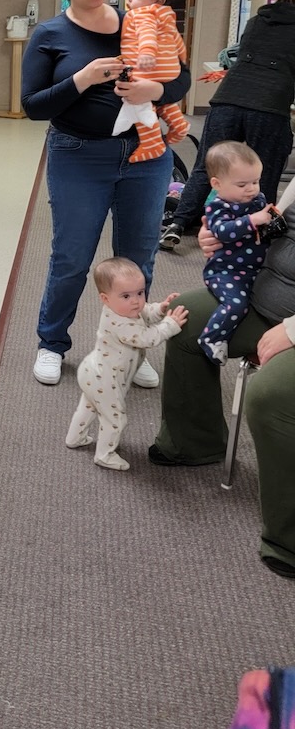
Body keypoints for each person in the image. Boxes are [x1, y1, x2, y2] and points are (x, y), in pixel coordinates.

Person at [22, 0, 192, 386]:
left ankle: (132, 345)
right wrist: (82, 78)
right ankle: (52, 343)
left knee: (138, 260)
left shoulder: (140, 17)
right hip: (78, 156)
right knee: (72, 258)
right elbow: (33, 106)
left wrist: (155, 90)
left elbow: (181, 75)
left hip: (146, 156)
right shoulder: (50, 35)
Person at [149, 174, 295, 580]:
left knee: (271, 396)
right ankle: (194, 442)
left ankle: (289, 539)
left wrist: (292, 330)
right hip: (263, 299)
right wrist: (219, 237)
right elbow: (273, 228)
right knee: (185, 320)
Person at [160, 0, 295, 251]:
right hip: (269, 106)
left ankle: (178, 223)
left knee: (207, 164)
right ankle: (255, 233)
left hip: (228, 98)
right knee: (264, 171)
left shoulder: (257, 21)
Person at [65, 258, 187, 471]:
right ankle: (104, 455)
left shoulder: (126, 309)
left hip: (94, 371)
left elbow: (146, 312)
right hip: (104, 378)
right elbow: (147, 338)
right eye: (126, 296)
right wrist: (170, 324)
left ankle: (75, 437)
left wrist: (161, 309)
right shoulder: (118, 322)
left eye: (140, 293)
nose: (136, 301)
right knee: (115, 419)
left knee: (89, 406)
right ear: (105, 299)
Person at [197, 141, 277, 364]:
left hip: (254, 269)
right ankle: (211, 339)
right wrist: (252, 220)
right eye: (242, 184)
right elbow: (223, 232)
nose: (251, 189)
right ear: (217, 184)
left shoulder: (256, 200)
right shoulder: (218, 206)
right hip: (226, 272)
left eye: (255, 181)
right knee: (236, 305)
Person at [115, 0, 190, 161]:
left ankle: (152, 142)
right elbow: (177, 41)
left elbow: (146, 32)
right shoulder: (166, 15)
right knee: (161, 103)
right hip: (169, 70)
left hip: (147, 68)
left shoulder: (142, 14)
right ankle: (179, 126)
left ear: (158, 0)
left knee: (137, 100)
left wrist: (147, 52)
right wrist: (181, 58)